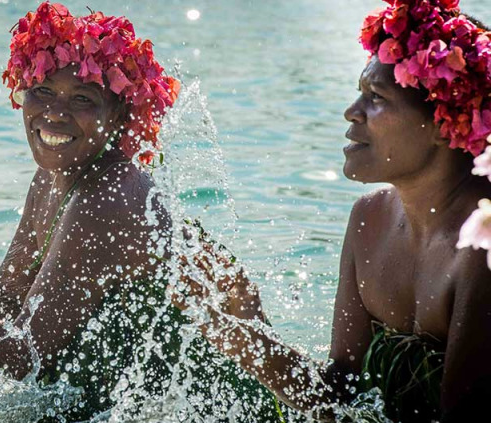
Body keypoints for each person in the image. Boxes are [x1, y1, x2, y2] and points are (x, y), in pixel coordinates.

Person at [0, 3, 280, 421]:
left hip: (225, 410)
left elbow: (25, 355)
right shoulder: (55, 175)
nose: (54, 114)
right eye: (42, 91)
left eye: (82, 99)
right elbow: (4, 290)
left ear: (120, 117)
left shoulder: (106, 197)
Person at [176, 1, 491, 422]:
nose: (352, 112)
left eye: (376, 97)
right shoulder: (368, 220)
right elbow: (338, 395)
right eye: (361, 91)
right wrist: (242, 330)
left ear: (443, 119)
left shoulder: (482, 244)